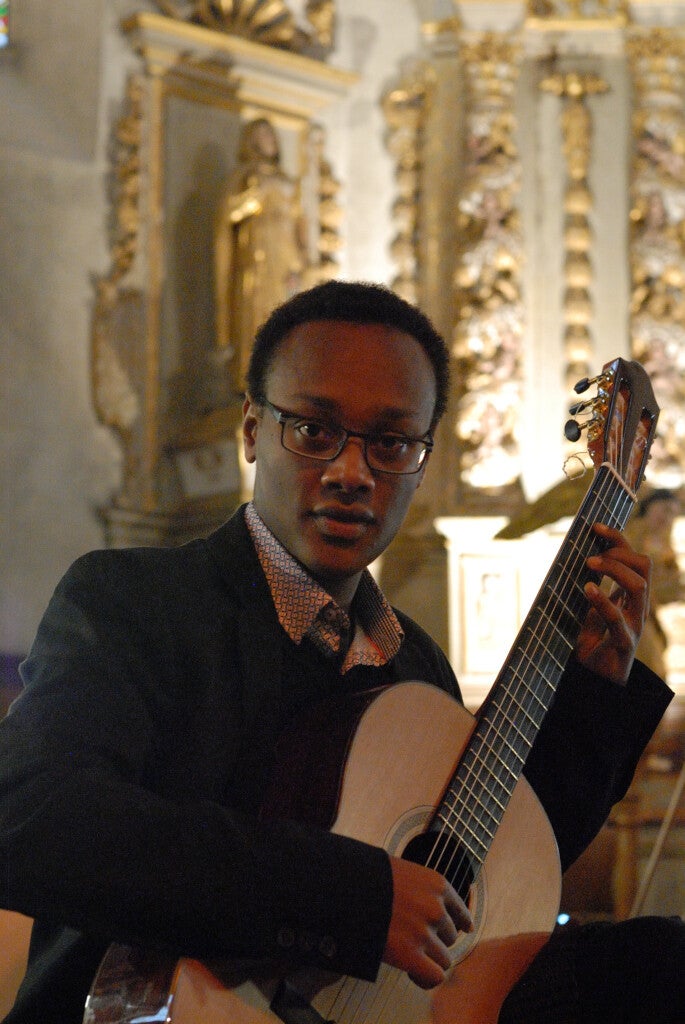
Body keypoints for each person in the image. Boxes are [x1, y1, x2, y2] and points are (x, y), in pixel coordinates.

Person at [0, 280, 681, 1023]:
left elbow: (498, 875)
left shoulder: (414, 666)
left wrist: (587, 689)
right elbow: (32, 821)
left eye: (390, 443)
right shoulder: (135, 603)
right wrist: (355, 896)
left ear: (421, 458)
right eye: (314, 430)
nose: (352, 473)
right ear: (254, 430)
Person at [624, 487, 683, 680]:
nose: (668, 518)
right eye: (665, 509)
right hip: (624, 609)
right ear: (650, 506)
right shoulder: (630, 533)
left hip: (647, 614)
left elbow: (671, 585)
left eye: (673, 513)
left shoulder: (664, 543)